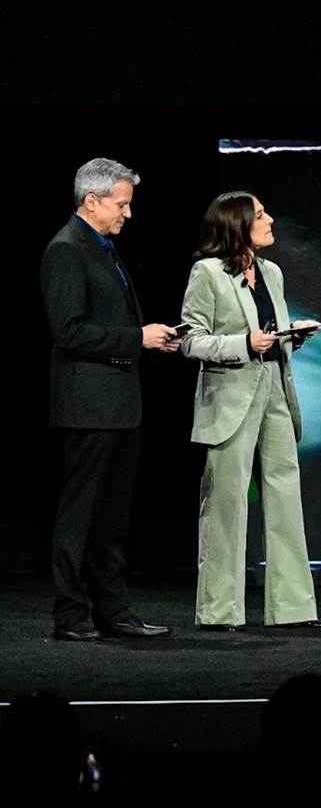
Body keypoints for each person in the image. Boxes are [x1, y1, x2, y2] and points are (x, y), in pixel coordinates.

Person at [41, 157, 178, 641]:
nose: (128, 213)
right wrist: (135, 338)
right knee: (80, 514)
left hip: (119, 402)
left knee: (112, 518)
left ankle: (113, 611)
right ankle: (71, 614)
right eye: (122, 204)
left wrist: (149, 339)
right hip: (89, 404)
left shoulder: (102, 248)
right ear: (91, 201)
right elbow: (69, 330)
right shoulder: (67, 250)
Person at [180, 192, 321, 631]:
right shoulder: (207, 273)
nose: (270, 220)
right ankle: (220, 611)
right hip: (230, 395)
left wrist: (290, 336)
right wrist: (243, 345)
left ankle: (292, 609)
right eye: (261, 215)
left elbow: (268, 331)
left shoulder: (271, 272)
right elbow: (191, 340)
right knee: (226, 500)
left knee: (285, 496)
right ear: (238, 225)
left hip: (275, 388)